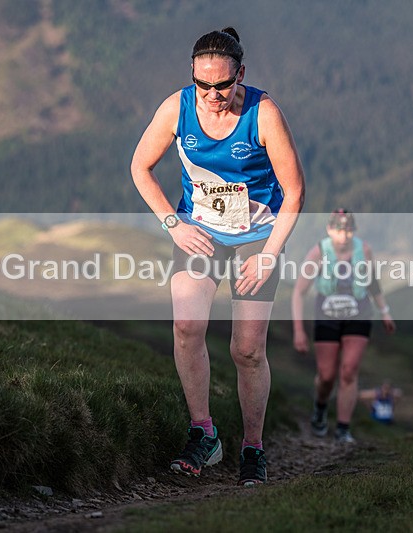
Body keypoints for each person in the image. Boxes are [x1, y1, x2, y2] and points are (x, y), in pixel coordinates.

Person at [130, 27, 305, 487]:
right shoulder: (176, 107)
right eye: (202, 84)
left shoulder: (264, 113)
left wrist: (270, 255)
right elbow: (139, 167)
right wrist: (174, 223)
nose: (212, 94)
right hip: (200, 234)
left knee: (246, 350)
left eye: (222, 85)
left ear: (240, 74)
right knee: (187, 327)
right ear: (192, 75)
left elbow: (295, 192)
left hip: (257, 238)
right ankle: (204, 434)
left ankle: (252, 447)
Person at [292, 209, 396, 444]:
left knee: (349, 370)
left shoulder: (364, 250)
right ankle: (320, 407)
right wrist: (298, 330)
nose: (344, 234)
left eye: (348, 229)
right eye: (339, 229)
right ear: (330, 229)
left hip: (358, 314)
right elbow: (299, 292)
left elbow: (373, 283)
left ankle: (342, 428)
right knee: (327, 375)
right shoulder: (319, 252)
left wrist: (385, 312)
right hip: (326, 315)